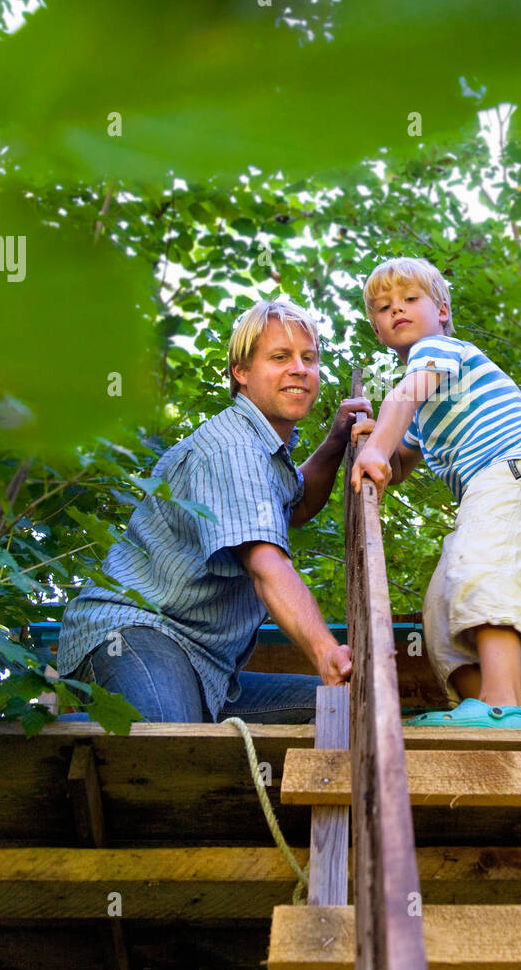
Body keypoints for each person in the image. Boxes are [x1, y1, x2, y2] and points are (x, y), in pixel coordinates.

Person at [56, 298, 370, 723]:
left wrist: (334, 443)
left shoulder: (266, 453)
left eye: (308, 358)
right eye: (280, 357)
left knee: (345, 711)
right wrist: (327, 652)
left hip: (210, 669)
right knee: (168, 745)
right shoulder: (233, 448)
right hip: (138, 631)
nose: (300, 368)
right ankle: (38, 734)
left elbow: (297, 506)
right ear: (241, 372)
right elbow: (265, 566)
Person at [350, 257, 521, 730]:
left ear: (443, 310)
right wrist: (379, 445)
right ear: (378, 330)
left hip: (516, 470)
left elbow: (405, 396)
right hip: (488, 490)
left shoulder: (441, 353)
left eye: (411, 299)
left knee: (485, 568)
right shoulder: (426, 402)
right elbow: (402, 464)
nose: (398, 310)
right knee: (444, 600)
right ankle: (479, 709)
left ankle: (503, 703)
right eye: (384, 308)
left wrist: (378, 445)